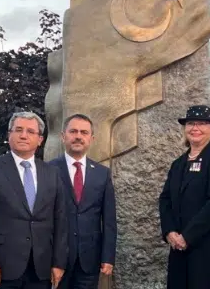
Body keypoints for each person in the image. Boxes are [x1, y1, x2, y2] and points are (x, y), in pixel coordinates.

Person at [0, 111, 68, 289]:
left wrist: (58, 262)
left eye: (30, 131)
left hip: (41, 267)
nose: (24, 135)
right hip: (1, 267)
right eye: (18, 130)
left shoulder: (52, 173)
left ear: (40, 139)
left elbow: (60, 220)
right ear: (9, 134)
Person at [158, 105, 210, 289]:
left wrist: (187, 237)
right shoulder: (178, 164)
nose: (195, 128)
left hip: (208, 246)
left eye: (202, 124)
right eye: (191, 123)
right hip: (179, 246)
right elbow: (165, 199)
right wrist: (170, 232)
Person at [48, 114, 117, 289]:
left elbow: (109, 220)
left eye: (84, 132)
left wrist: (107, 257)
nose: (78, 136)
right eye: (73, 131)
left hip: (89, 260)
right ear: (63, 136)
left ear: (91, 139)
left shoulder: (102, 173)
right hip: (55, 260)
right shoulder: (48, 170)